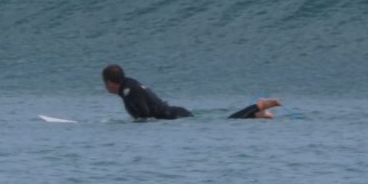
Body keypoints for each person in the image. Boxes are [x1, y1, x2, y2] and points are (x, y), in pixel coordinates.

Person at [101, 64, 281, 120]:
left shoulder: (128, 90)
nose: (104, 86)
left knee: (226, 122)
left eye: (105, 83)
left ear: (110, 82)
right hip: (175, 114)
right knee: (225, 121)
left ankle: (258, 105)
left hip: (176, 117)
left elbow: (145, 114)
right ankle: (259, 114)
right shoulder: (129, 86)